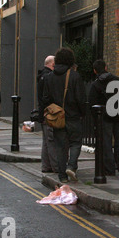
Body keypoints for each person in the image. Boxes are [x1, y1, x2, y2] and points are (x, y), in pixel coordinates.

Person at [42, 47, 87, 183]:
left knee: (60, 147)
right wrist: (82, 113)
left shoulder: (49, 77)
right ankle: (72, 166)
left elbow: (45, 99)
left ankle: (62, 176)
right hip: (73, 116)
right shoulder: (74, 76)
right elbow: (81, 98)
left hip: (57, 118)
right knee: (75, 143)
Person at [89, 59, 119, 176]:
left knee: (106, 143)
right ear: (106, 68)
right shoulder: (118, 80)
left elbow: (92, 103)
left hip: (105, 117)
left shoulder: (96, 85)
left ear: (95, 71)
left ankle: (109, 169)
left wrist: (95, 119)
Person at [37, 55, 58, 173]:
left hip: (43, 113)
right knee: (51, 140)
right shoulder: (48, 77)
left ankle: (46, 166)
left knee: (46, 141)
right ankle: (55, 167)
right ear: (52, 64)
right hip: (49, 113)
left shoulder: (41, 76)